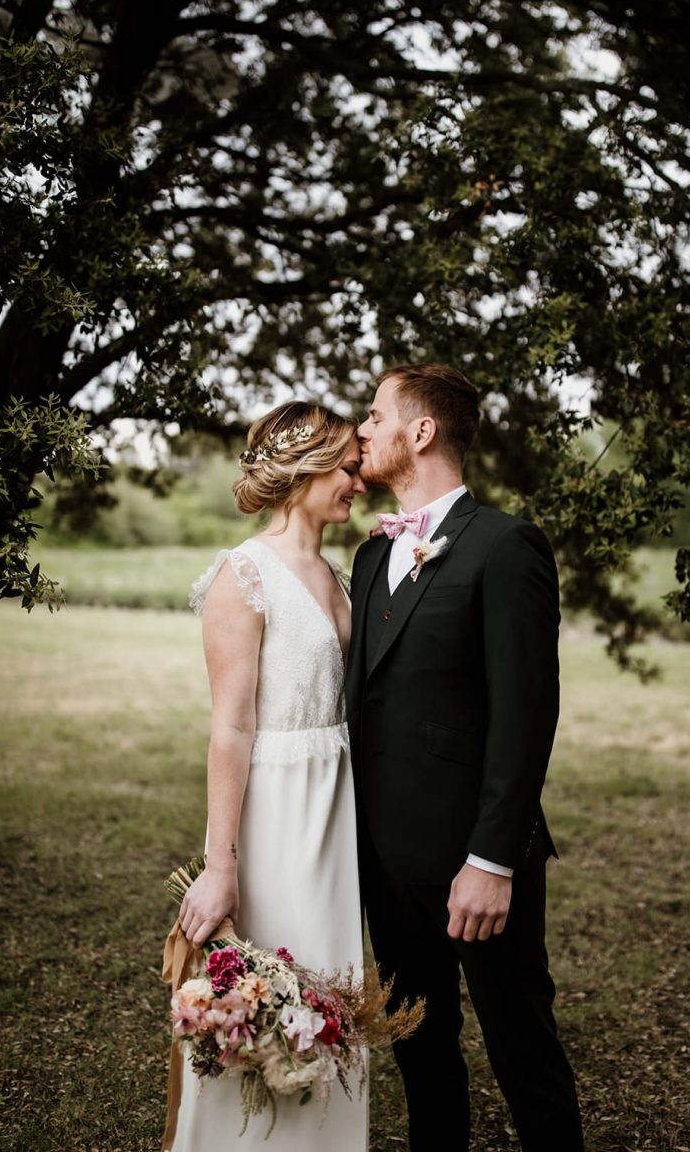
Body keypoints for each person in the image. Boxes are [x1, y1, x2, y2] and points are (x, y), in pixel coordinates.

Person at [346, 363, 585, 1152]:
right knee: (420, 1048)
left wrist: (491, 857)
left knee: (522, 1047)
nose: (363, 431)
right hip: (386, 861)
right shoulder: (370, 558)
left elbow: (526, 714)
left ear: (422, 431)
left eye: (376, 415)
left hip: (472, 862)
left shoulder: (506, 544)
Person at [168, 402, 369, 1152]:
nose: (359, 479)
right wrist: (221, 865)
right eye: (348, 465)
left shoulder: (343, 576)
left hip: (333, 810)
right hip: (275, 814)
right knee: (268, 1002)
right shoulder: (243, 574)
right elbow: (231, 728)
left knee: (331, 998)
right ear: (307, 467)